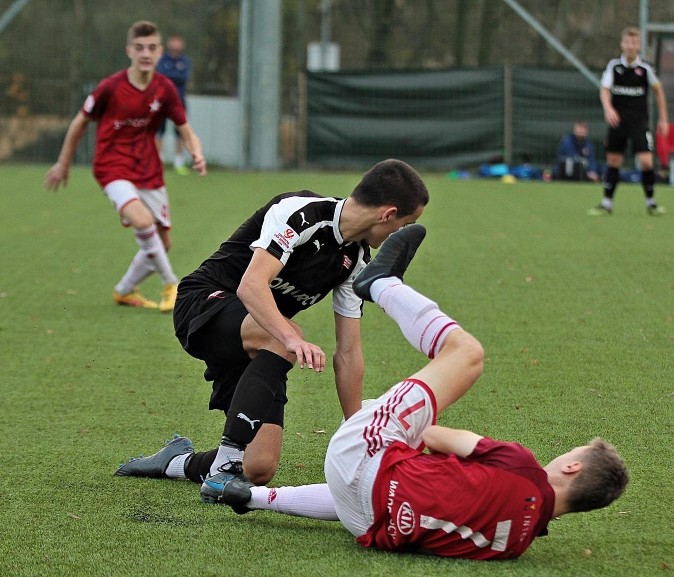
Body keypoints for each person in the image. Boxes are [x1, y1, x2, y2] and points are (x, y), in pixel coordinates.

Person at [199, 223, 629, 560]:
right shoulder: (514, 544)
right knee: (376, 486)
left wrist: (384, 416)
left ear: (572, 468)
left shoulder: (521, 467)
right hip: (362, 520)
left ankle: (382, 284)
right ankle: (249, 496)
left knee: (466, 354)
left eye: (568, 455)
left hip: (359, 454)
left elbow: (434, 436)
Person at [114, 159, 430, 496]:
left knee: (259, 468)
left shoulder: (356, 262)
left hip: (260, 340)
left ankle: (176, 461)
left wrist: (356, 431)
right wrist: (289, 338)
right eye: (406, 224)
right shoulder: (302, 212)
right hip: (205, 303)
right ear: (387, 214)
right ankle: (224, 467)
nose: (403, 234)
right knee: (285, 336)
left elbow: (349, 352)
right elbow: (252, 286)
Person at [43, 21, 206, 312]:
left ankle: (124, 290)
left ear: (159, 52)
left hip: (148, 170)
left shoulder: (164, 88)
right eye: (140, 48)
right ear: (129, 51)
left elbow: (185, 128)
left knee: (162, 243)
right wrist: (62, 163)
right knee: (143, 223)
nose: (146, 53)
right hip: (111, 167)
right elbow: (80, 122)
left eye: (152, 48)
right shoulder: (110, 87)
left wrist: (196, 151)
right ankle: (172, 284)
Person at [590, 26, 669, 216]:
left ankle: (651, 202)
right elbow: (604, 89)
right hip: (619, 122)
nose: (631, 46)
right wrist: (608, 109)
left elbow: (658, 91)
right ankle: (607, 203)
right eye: (627, 42)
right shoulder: (613, 66)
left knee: (646, 161)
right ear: (621, 44)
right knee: (614, 160)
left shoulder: (646, 68)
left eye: (634, 43)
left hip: (640, 122)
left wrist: (664, 119)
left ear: (639, 45)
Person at [155, 35, 192, 175]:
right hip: (162, 100)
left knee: (181, 132)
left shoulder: (185, 61)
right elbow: (161, 75)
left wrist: (170, 76)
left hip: (179, 101)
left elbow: (184, 77)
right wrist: (173, 76)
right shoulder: (162, 59)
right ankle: (159, 161)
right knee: (159, 131)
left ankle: (179, 161)